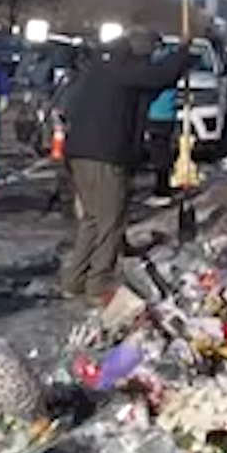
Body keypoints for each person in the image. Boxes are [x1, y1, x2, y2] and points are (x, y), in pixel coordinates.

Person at [60, 29, 194, 299]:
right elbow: (159, 76)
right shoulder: (123, 66)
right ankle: (98, 284)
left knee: (93, 219)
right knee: (111, 220)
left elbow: (152, 84)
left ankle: (74, 280)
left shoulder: (103, 66)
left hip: (80, 152)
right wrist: (182, 54)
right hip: (104, 154)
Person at [142, 46, 180, 206]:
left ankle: (162, 191)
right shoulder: (171, 69)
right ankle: (163, 187)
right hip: (166, 115)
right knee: (162, 152)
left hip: (157, 115)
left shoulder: (158, 71)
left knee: (159, 154)